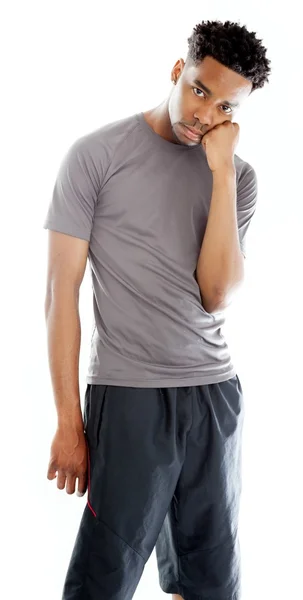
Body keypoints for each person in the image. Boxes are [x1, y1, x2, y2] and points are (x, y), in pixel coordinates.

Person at [43, 19, 271, 600]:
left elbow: (217, 293)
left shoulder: (238, 179)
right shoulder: (96, 156)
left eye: (225, 107)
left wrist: (220, 174)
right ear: (178, 71)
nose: (204, 114)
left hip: (215, 395)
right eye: (199, 90)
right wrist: (69, 421)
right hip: (129, 395)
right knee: (103, 580)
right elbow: (59, 294)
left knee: (209, 583)